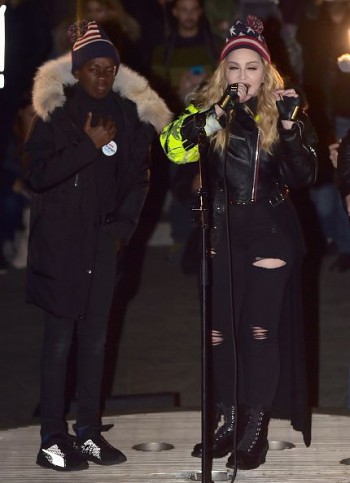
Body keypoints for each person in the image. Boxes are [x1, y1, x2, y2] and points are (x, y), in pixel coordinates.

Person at [160, 15, 317, 470]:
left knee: (257, 331)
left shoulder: (284, 110)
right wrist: (214, 118)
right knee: (218, 332)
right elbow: (173, 148)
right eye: (235, 67)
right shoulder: (207, 113)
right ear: (222, 72)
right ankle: (226, 420)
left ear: (265, 72)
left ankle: (255, 427)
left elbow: (305, 176)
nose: (243, 76)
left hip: (270, 229)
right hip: (222, 230)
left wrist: (289, 129)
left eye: (252, 67)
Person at [24, 20, 171, 472]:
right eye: (94, 68)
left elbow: (138, 177)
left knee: (94, 342)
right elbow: (37, 175)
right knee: (59, 343)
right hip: (61, 246)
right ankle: (52, 437)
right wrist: (87, 147)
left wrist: (121, 230)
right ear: (79, 70)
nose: (102, 77)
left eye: (110, 68)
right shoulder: (58, 112)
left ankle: (87, 432)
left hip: (103, 245)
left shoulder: (127, 115)